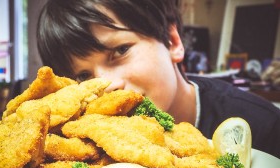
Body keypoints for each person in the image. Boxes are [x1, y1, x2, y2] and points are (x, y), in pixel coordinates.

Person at [36, 0, 280, 158]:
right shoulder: (82, 146)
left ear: (173, 41)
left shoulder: (265, 129)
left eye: (120, 51)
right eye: (83, 75)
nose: (107, 86)